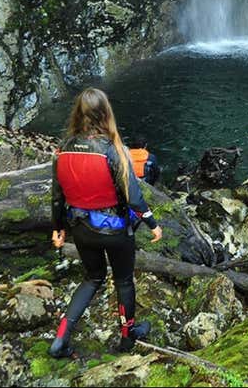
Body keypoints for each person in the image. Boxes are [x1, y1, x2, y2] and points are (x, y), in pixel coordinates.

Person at [49, 88, 163, 358]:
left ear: (77, 113)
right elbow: (133, 196)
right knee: (123, 281)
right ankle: (127, 337)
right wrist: (153, 223)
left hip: (80, 228)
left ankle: (61, 338)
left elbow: (57, 196)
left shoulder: (62, 150)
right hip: (115, 230)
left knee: (92, 278)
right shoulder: (114, 150)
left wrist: (59, 229)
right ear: (106, 113)